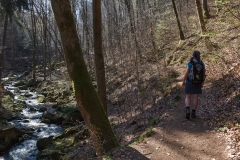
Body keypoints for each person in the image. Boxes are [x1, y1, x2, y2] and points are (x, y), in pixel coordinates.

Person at [182, 50, 206, 119]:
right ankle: (193, 113)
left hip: (190, 82)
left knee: (188, 96)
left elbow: (186, 73)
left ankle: (187, 111)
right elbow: (204, 74)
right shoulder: (202, 63)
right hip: (198, 83)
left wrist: (183, 81)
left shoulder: (190, 63)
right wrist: (202, 83)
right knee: (196, 97)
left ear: (193, 55)